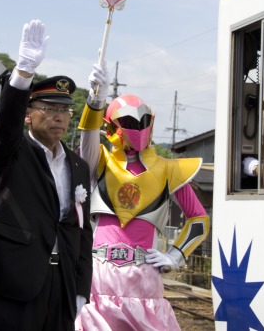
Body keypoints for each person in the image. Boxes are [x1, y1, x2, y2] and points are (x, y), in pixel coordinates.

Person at [0, 19, 93, 330]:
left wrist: (81, 289)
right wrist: (23, 72)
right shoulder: (12, 151)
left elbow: (82, 233)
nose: (59, 116)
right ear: (28, 113)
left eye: (65, 110)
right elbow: (5, 125)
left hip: (62, 285)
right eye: (49, 108)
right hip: (15, 285)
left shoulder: (78, 166)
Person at [75, 63, 210, 330]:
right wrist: (96, 99)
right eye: (127, 122)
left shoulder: (168, 169)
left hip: (142, 275)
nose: (137, 128)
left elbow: (199, 218)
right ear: (111, 126)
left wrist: (175, 255)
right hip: (99, 272)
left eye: (143, 121)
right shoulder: (101, 161)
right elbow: (87, 140)